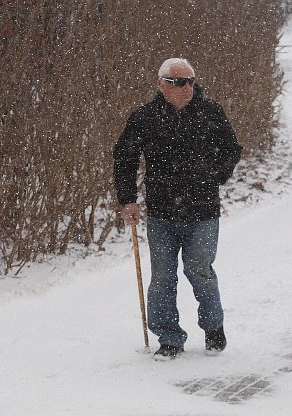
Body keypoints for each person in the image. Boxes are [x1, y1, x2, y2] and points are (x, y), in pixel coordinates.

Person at [113, 58, 242, 361]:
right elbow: (124, 157)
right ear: (162, 84)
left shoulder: (210, 112)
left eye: (191, 82)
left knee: (201, 272)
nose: (187, 88)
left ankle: (213, 328)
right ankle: (169, 337)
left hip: (203, 211)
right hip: (161, 213)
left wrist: (216, 176)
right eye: (179, 82)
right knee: (162, 277)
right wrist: (128, 199)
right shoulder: (145, 117)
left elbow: (231, 149)